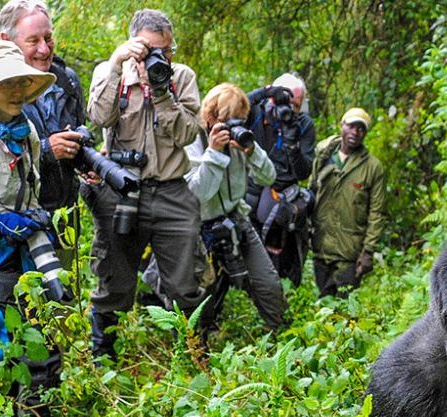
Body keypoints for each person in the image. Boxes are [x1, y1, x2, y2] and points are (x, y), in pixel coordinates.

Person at [85, 9, 204, 359]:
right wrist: (116, 62)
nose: (161, 57)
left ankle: (192, 352)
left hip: (172, 189)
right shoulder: (112, 74)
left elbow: (186, 133)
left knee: (184, 283)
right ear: (134, 44)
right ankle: (103, 357)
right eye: (152, 50)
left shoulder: (181, 77)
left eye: (167, 50)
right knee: (115, 281)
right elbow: (99, 117)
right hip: (124, 189)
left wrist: (162, 91)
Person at [147, 83, 287, 340]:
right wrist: (214, 153)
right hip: (197, 227)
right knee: (198, 295)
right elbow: (197, 195)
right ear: (211, 117)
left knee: (268, 284)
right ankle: (194, 345)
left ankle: (279, 336)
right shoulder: (192, 140)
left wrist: (253, 152)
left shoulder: (239, 140)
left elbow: (269, 178)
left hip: (235, 219)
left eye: (240, 121)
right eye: (229, 121)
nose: (235, 127)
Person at [0, 40, 57, 417]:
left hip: (24, 250)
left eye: (22, 83)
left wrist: (36, 220)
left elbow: (32, 189)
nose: (18, 92)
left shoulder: (27, 132)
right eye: (7, 84)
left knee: (42, 333)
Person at [0, 0, 87, 217]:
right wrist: (46, 150)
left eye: (48, 38)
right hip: (16, 218)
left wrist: (85, 157)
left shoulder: (67, 80)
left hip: (65, 212)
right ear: (7, 41)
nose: (44, 49)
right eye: (33, 41)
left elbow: (78, 126)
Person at [245, 73, 316, 286]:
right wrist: (264, 92)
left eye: (297, 106)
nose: (291, 111)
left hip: (281, 198)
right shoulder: (257, 112)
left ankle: (280, 290)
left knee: (280, 259)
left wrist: (293, 145)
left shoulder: (302, 123)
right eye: (286, 103)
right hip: (250, 190)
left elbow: (303, 172)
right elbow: (227, 110)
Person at [309, 108, 387, 298]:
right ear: (342, 126)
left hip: (349, 252)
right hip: (321, 247)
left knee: (345, 308)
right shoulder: (323, 156)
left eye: (361, 129)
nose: (355, 132)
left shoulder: (372, 167)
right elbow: (311, 192)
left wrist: (368, 252)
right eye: (351, 126)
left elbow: (377, 213)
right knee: (324, 302)